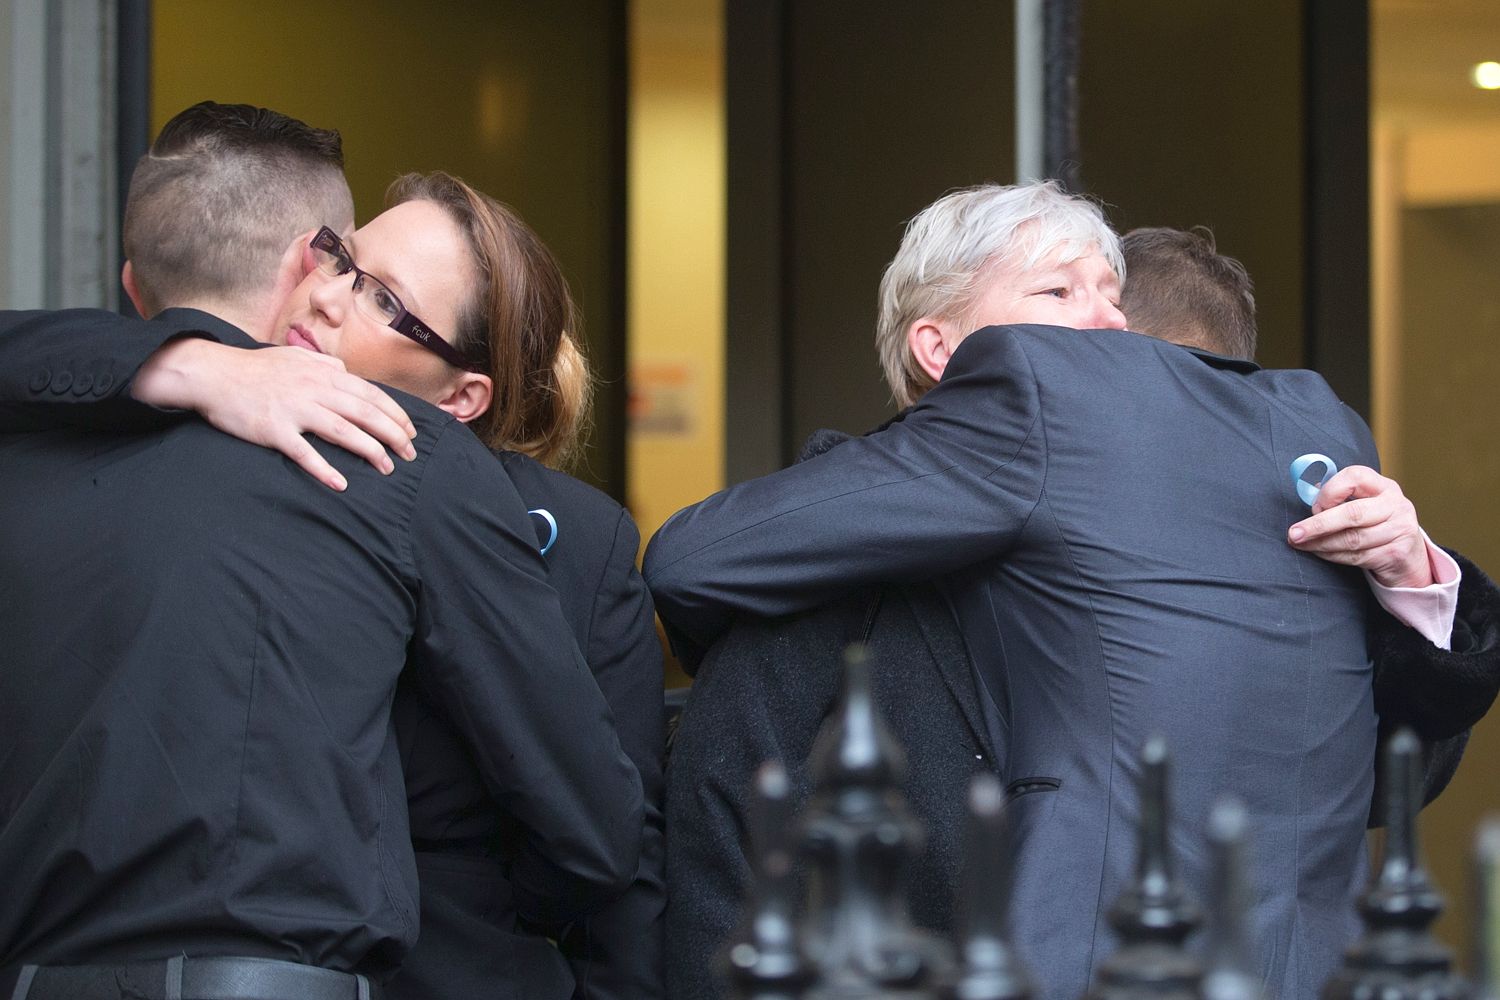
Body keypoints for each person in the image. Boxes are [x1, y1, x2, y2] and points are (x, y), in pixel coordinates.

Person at [647, 184, 1499, 1000]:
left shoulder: (1252, 517)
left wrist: (1412, 578)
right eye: (1059, 291)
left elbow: (1386, 773)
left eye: (1112, 296)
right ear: (940, 350)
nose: (1109, 327)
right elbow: (730, 856)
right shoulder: (820, 572)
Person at [0, 102, 644, 999]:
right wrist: (189, 364)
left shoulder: (435, 471)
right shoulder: (118, 415)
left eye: (386, 302)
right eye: (342, 260)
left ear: (461, 397)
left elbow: (598, 834)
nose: (331, 293)